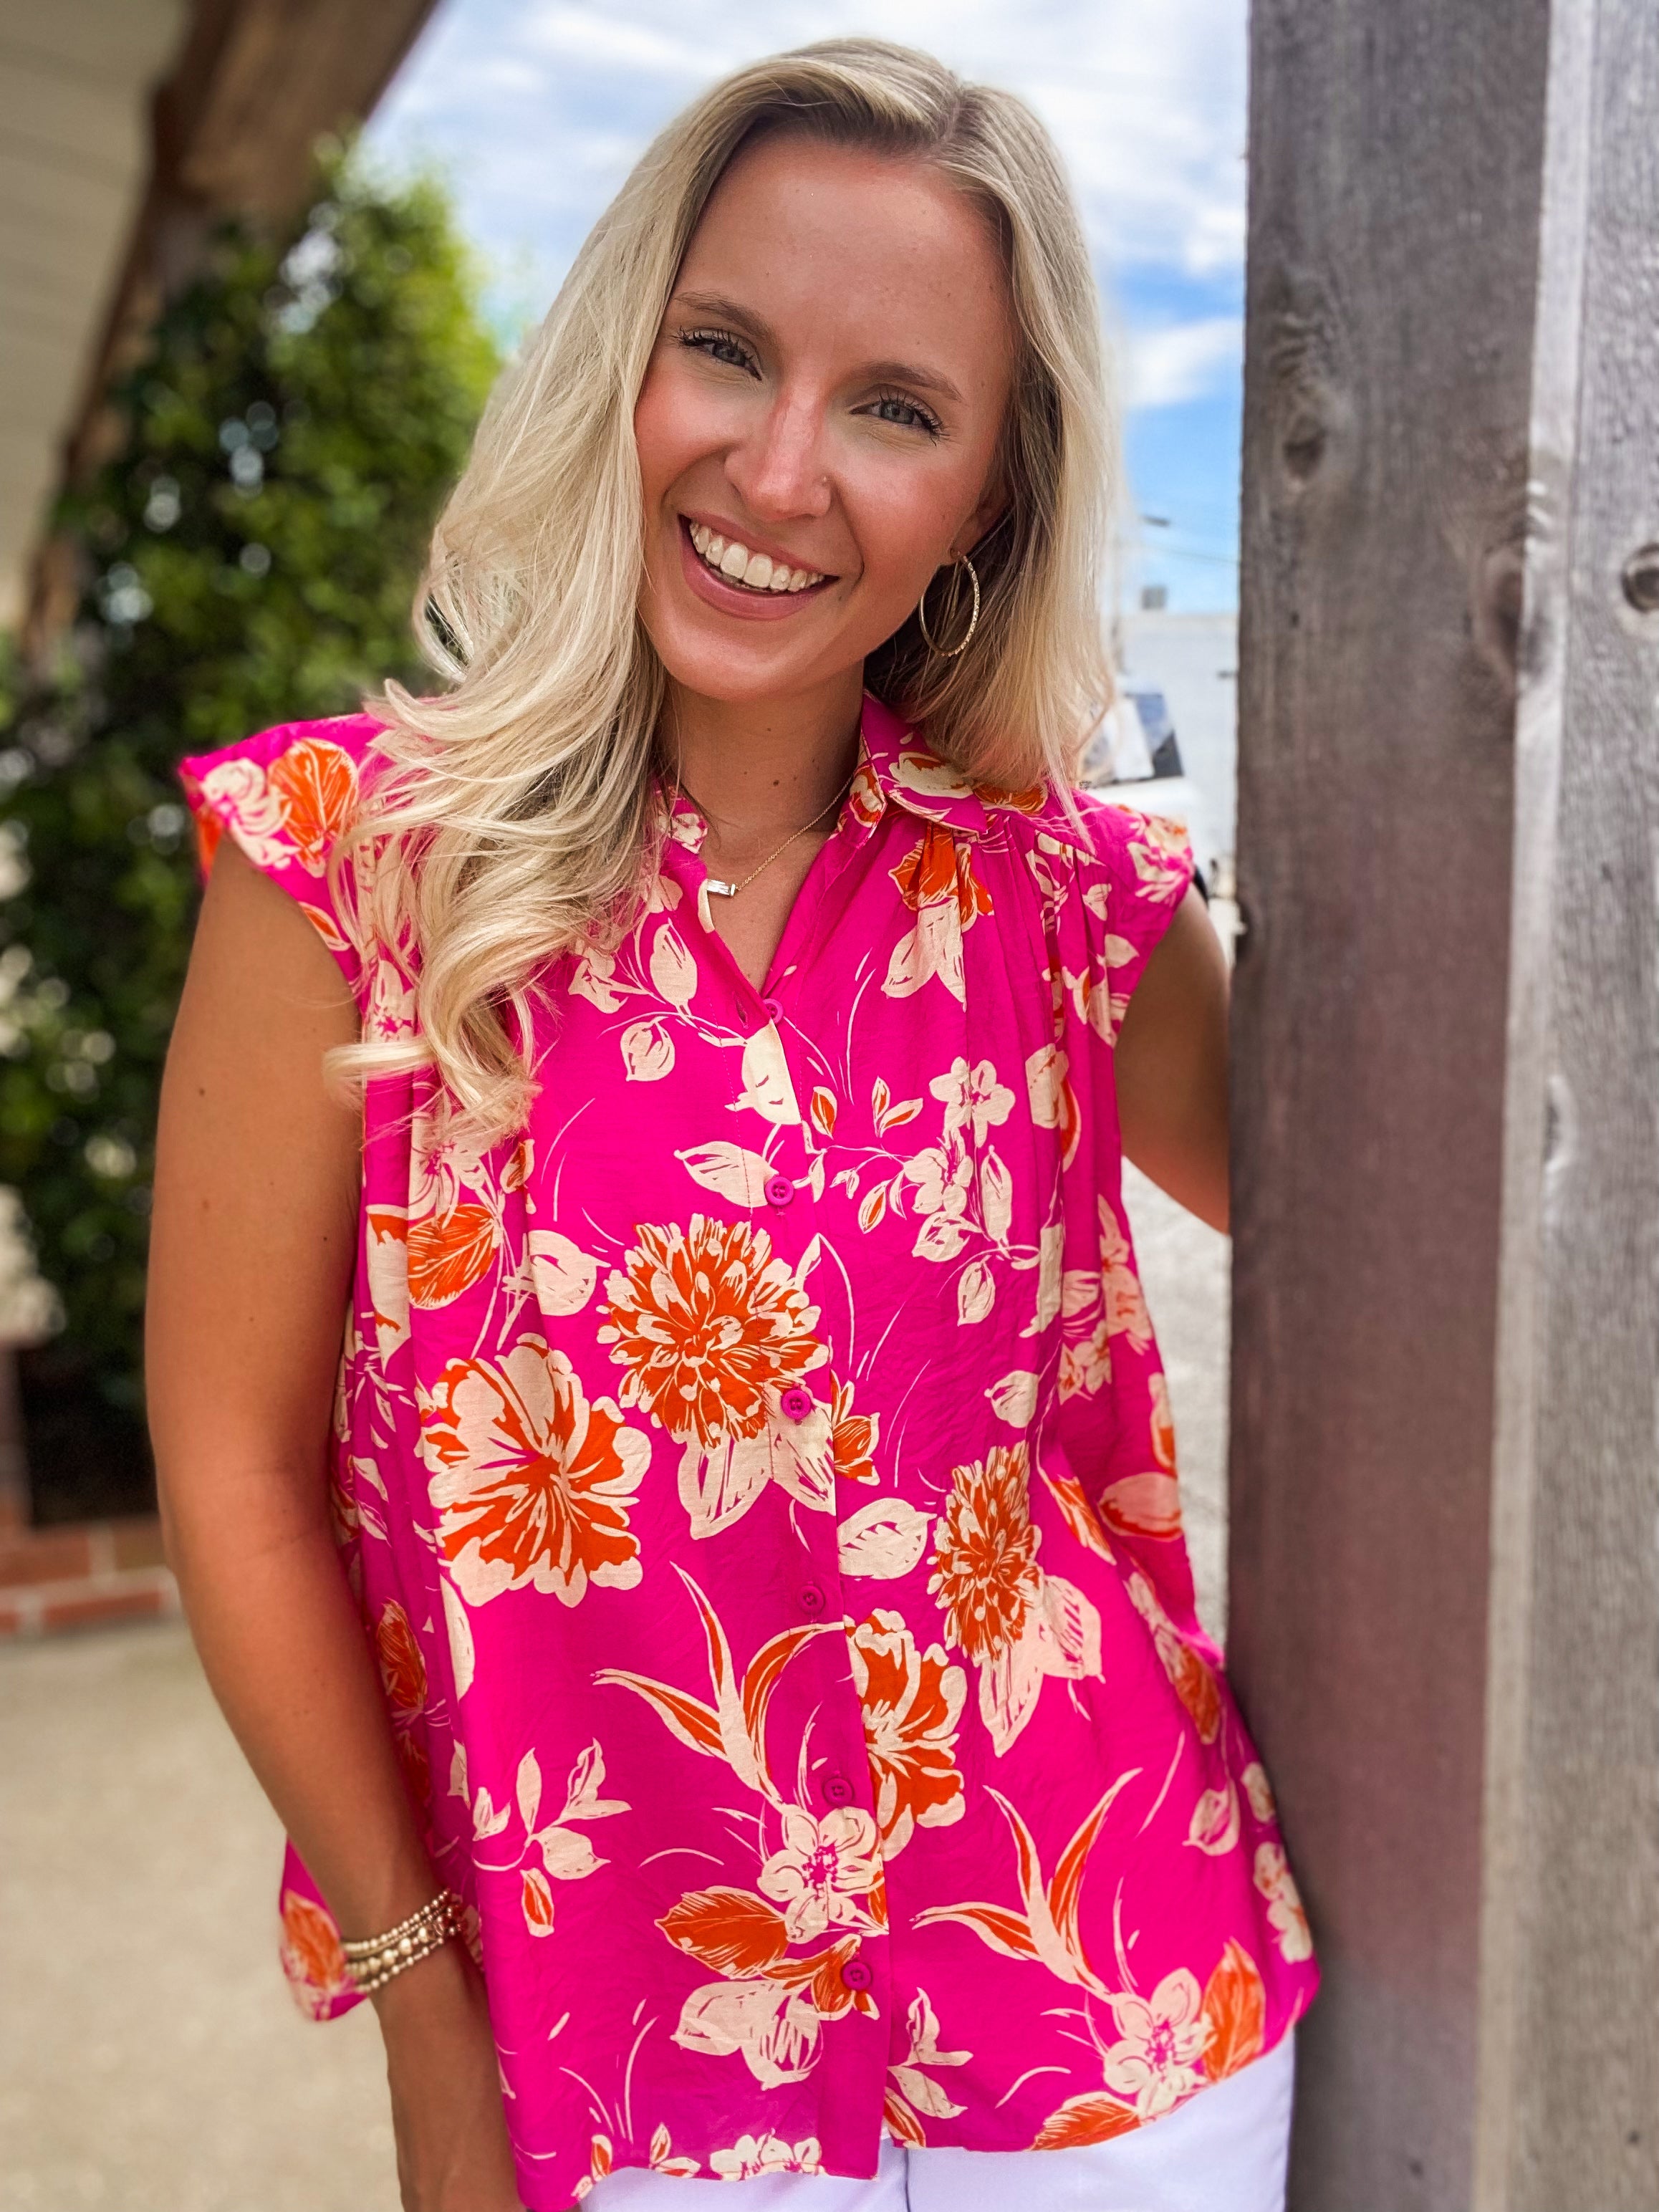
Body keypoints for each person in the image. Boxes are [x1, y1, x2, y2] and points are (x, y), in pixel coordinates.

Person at [147, 40, 1317, 2212]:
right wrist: (422, 2008)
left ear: (989, 486)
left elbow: (1389, 1243)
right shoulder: (339, 873)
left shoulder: (1067, 904)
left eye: (893, 406)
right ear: (626, 361)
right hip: (615, 2052)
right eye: (725, 351)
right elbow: (228, 1466)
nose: (778, 469)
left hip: (1110, 2013)